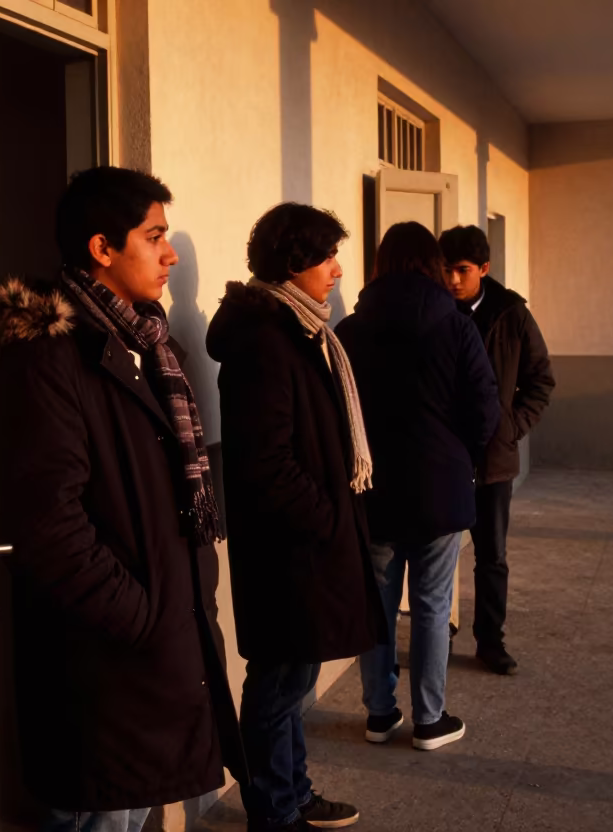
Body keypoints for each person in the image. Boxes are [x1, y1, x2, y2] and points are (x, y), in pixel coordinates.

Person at [0, 166, 242, 832]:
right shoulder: (49, 356)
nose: (171, 253)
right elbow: (47, 524)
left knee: (128, 815)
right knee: (104, 818)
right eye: (154, 236)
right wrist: (144, 617)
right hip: (104, 664)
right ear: (102, 248)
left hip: (151, 656)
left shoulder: (145, 343)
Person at [207, 202, 386, 831]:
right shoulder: (267, 342)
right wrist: (328, 521)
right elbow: (267, 463)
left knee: (291, 685)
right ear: (292, 264)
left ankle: (293, 794)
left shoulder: (301, 330)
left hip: (305, 547)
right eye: (325, 256)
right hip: (291, 552)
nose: (337, 269)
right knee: (278, 686)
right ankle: (274, 810)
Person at [334, 221, 499, 752]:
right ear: (432, 264)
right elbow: (485, 409)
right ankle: (430, 719)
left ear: (380, 265)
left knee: (378, 602)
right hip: (439, 490)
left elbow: (337, 412)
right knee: (432, 604)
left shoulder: (352, 329)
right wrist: (462, 459)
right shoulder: (456, 326)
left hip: (374, 489)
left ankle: (379, 714)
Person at [439, 225, 555, 676]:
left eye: (461, 270)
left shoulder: (512, 314)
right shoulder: (434, 313)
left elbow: (541, 380)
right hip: (443, 458)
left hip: (494, 459)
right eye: (445, 269)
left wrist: (511, 429)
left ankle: (490, 641)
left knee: (491, 555)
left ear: (483, 269)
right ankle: (439, 634)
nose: (452, 279)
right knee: (438, 554)